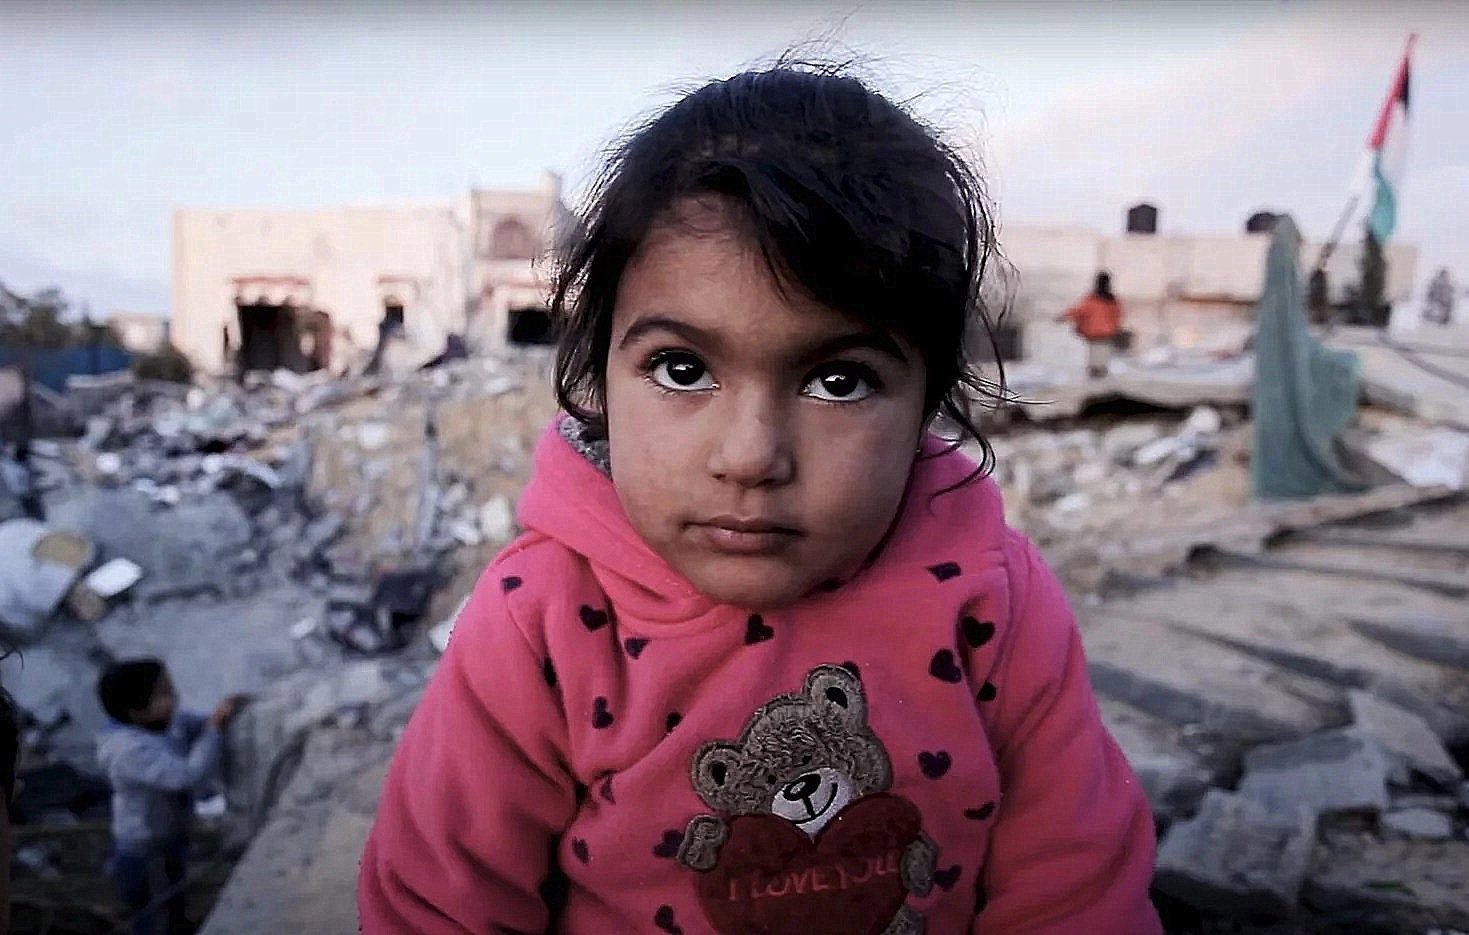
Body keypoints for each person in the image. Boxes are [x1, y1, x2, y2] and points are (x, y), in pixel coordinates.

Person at [360, 64, 1161, 934]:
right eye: (681, 369)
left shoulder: (992, 597)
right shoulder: (543, 618)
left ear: (926, 398)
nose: (750, 456)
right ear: (600, 376)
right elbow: (438, 904)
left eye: (838, 380)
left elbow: (1076, 885)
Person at [96, 659, 245, 935]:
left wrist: (220, 716)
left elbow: (189, 723)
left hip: (168, 841)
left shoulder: (160, 722)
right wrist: (213, 729)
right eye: (163, 694)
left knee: (173, 908)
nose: (174, 699)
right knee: (155, 919)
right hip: (145, 853)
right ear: (136, 711)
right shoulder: (128, 752)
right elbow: (187, 776)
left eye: (170, 689)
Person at [1059, 272, 1124, 378]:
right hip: (1107, 335)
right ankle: (1101, 378)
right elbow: (1117, 316)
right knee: (1102, 361)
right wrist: (1115, 329)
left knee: (1093, 360)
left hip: (1093, 335)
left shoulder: (1090, 299)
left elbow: (1077, 311)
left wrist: (1062, 317)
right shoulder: (1113, 301)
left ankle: (1095, 377)